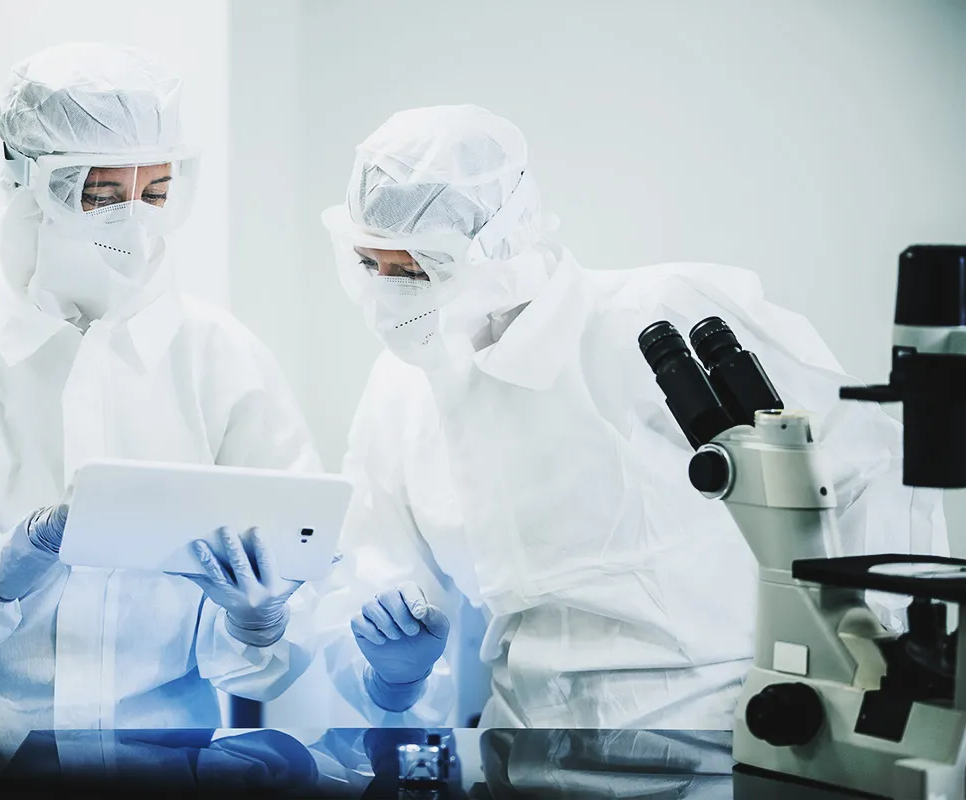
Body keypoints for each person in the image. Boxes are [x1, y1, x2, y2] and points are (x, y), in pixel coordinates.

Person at [312, 104, 950, 728]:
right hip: (527, 761)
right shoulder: (401, 390)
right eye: (373, 264)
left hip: (726, 752)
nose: (390, 292)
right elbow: (377, 574)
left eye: (417, 268)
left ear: (497, 243)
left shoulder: (658, 315)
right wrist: (396, 675)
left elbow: (870, 462)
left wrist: (888, 669)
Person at [0, 42, 321, 769]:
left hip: (173, 763)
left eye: (154, 192)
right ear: (22, 181)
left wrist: (261, 620)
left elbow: (305, 566)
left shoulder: (222, 359)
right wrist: (4, 565)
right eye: (97, 193)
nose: (132, 221)